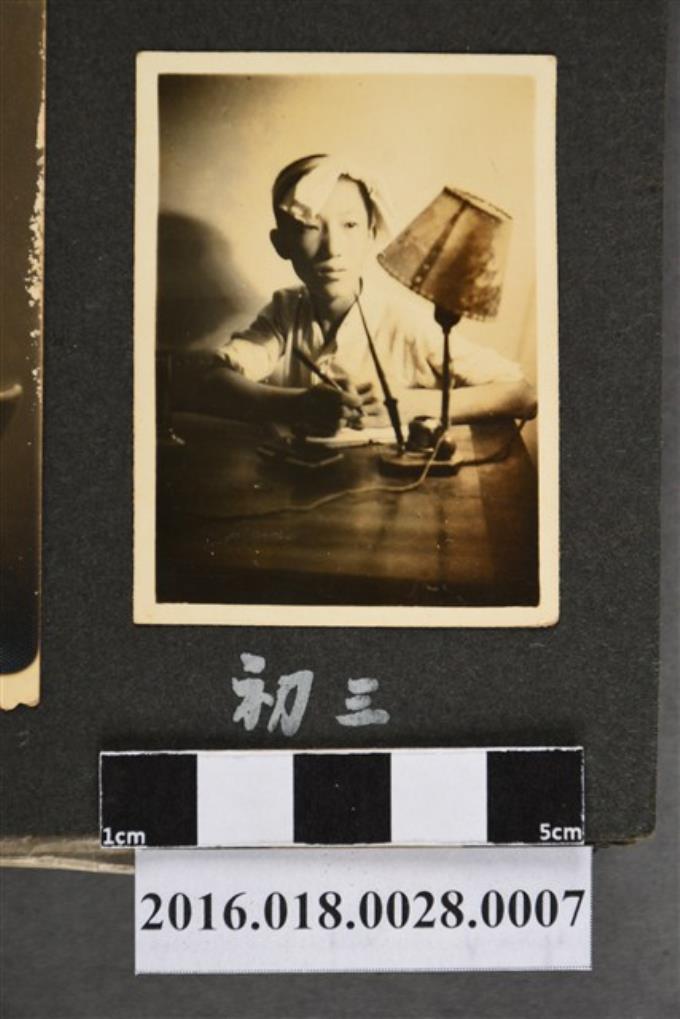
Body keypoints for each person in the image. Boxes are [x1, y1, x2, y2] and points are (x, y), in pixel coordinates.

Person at [178, 154, 537, 436]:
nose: (332, 248)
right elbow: (211, 379)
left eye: (349, 225)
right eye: (309, 227)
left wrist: (406, 405)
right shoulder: (286, 311)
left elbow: (522, 394)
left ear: (371, 233)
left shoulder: (402, 323)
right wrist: (296, 405)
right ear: (281, 243)